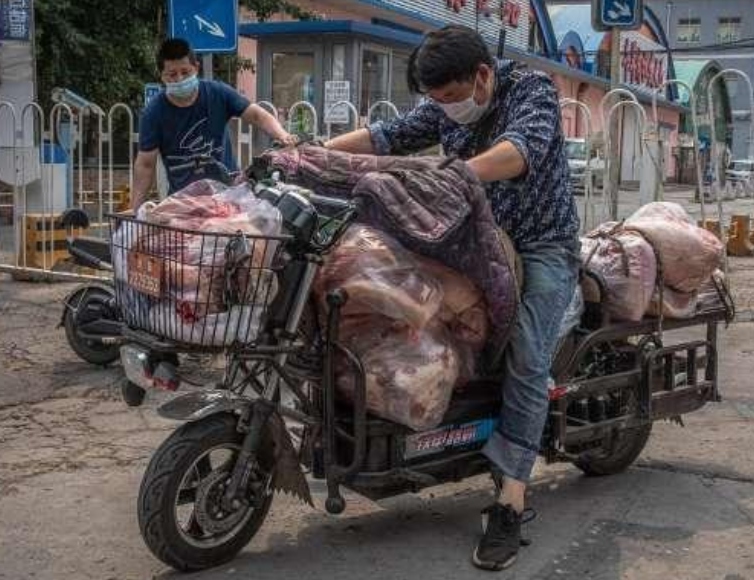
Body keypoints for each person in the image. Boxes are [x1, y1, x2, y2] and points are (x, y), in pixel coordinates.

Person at [324, 25, 580, 571]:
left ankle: (510, 500)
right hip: (471, 242)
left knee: (528, 358)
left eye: (449, 98)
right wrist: (310, 154)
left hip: (540, 246)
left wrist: (452, 174)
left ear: (483, 77)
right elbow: (386, 137)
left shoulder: (531, 91)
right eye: (435, 101)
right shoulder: (445, 106)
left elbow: (518, 151)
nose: (443, 110)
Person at [132, 38, 297, 209]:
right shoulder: (154, 112)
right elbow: (145, 164)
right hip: (184, 204)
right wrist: (135, 210)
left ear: (196, 68)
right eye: (172, 75)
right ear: (162, 76)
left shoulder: (217, 94)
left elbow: (257, 115)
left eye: (185, 72)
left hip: (228, 195)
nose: (179, 79)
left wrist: (282, 135)